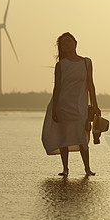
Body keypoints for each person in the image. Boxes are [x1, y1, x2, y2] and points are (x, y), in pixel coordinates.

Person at [41, 32, 101, 176]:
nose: (67, 44)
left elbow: (90, 85)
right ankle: (65, 169)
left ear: (75, 42)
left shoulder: (86, 62)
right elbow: (57, 88)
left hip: (80, 106)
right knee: (64, 138)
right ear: (61, 47)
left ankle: (87, 169)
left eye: (69, 41)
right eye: (63, 43)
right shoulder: (61, 65)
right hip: (63, 105)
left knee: (81, 137)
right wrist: (54, 108)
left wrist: (95, 105)